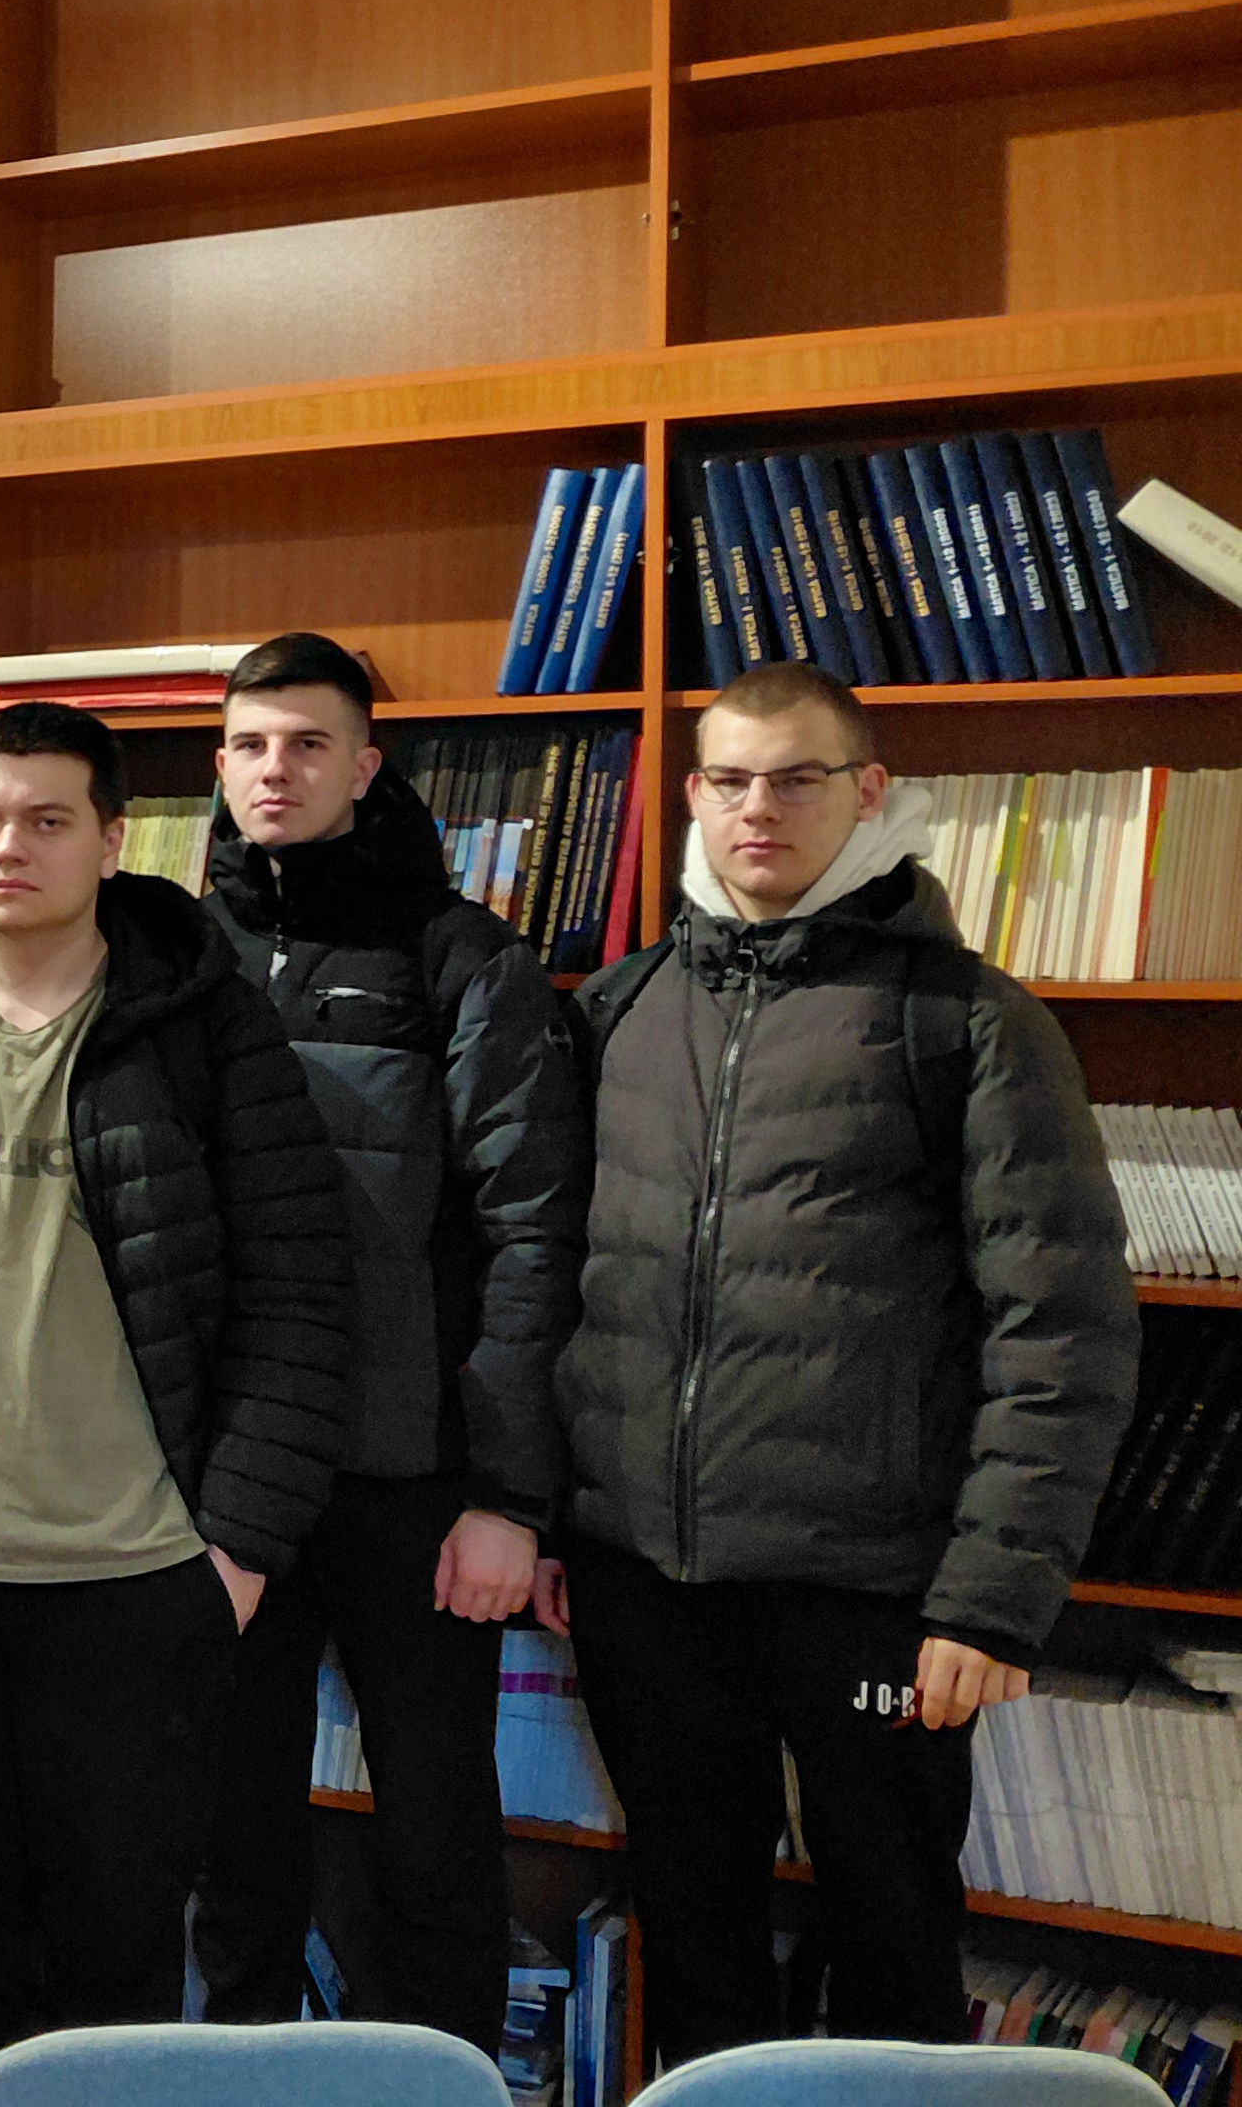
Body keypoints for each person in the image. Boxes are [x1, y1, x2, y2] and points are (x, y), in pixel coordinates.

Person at [547, 660, 1137, 2064]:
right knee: (691, 1937)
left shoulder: (969, 1021)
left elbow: (1062, 1329)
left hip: (876, 1596)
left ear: (868, 792)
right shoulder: (620, 1007)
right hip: (646, 1584)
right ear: (694, 794)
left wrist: (992, 1603)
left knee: (891, 1940)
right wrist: (560, 1512)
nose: (760, 807)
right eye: (731, 779)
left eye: (797, 778)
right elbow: (558, 1283)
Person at [0, 701, 354, 2101]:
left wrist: (237, 1549)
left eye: (45, 820)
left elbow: (300, 1292)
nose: (5, 847)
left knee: (114, 1963)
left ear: (110, 838)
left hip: (135, 1584)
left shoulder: (204, 1022)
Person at [186, 634, 589, 2051]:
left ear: (366, 763)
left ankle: (443, 2081)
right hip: (227, 1477)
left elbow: (533, 1236)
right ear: (219, 765)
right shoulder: (173, 952)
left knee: (435, 1838)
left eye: (308, 743)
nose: (275, 770)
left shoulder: (461, 955)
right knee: (229, 1837)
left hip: (411, 1482)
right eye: (250, 744)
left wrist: (508, 1497)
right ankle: (232, 2083)